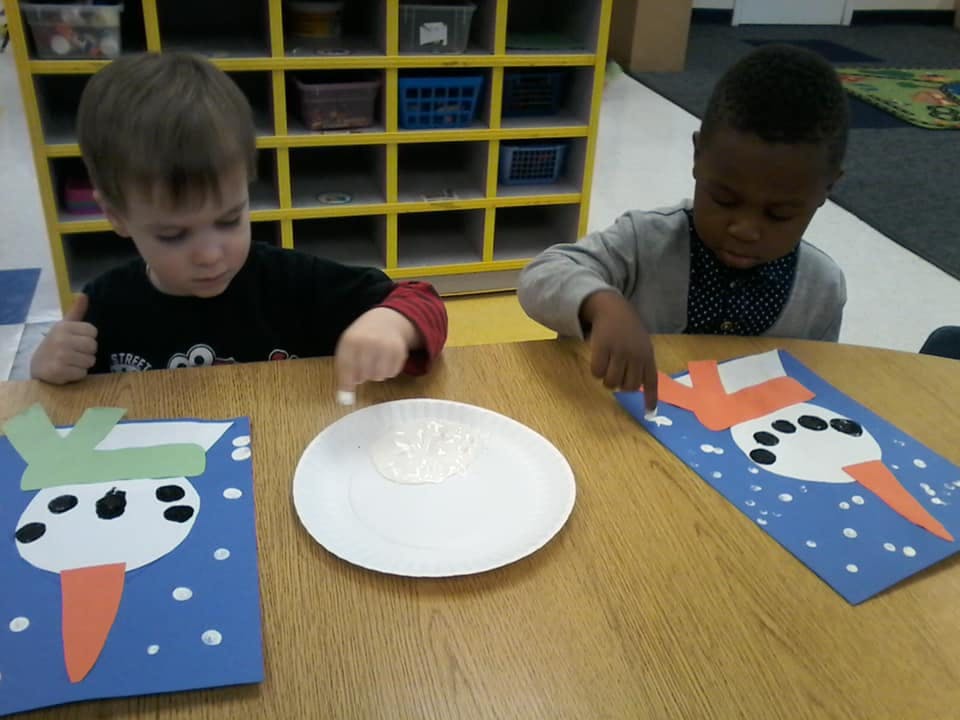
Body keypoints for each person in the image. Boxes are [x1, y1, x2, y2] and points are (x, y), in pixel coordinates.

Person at [30, 52, 447, 392]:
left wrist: (391, 324)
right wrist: (46, 366)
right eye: (173, 235)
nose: (211, 255)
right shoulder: (107, 305)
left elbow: (423, 301)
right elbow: (65, 400)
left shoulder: (288, 282)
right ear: (116, 216)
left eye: (230, 219)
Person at [518, 45, 849, 411]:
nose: (745, 229)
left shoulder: (822, 288)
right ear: (697, 157)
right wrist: (601, 303)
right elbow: (541, 275)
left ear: (827, 190)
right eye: (724, 199)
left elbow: (818, 385)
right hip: (623, 431)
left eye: (779, 214)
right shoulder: (644, 241)